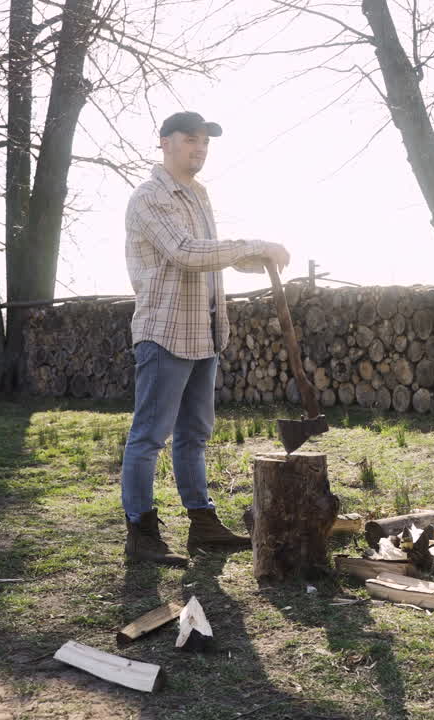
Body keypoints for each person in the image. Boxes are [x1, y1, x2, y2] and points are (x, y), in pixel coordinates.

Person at [120, 110, 289, 566]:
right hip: (165, 331)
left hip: (205, 330)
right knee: (149, 437)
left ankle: (203, 524)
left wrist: (264, 261)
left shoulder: (198, 195)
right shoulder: (150, 197)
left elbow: (217, 259)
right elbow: (186, 253)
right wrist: (254, 245)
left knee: (194, 434)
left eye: (206, 143)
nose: (200, 149)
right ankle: (141, 533)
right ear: (165, 143)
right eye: (191, 140)